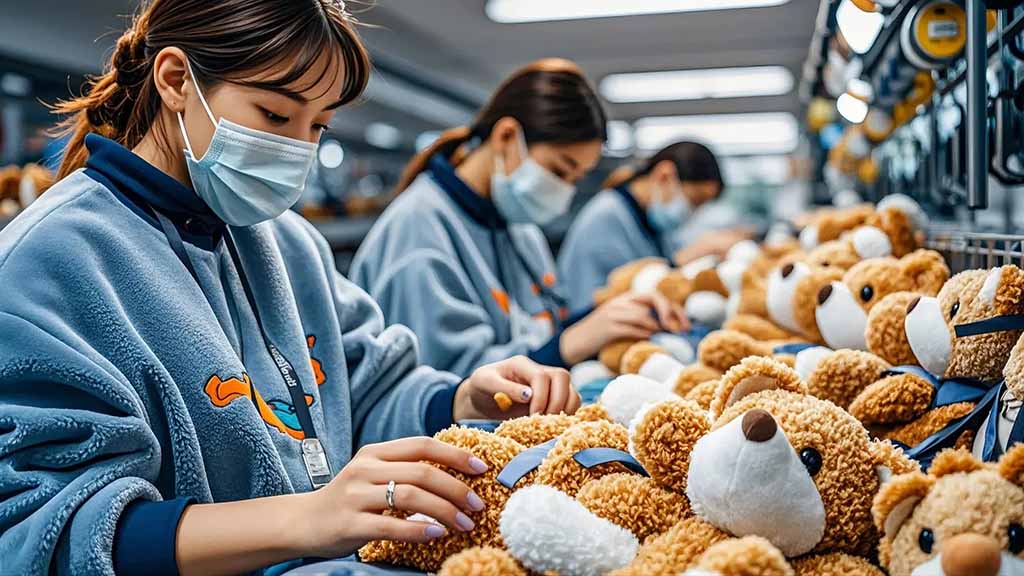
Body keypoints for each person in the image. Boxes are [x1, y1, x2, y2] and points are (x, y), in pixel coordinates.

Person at [0, 2, 579, 575]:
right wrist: (304, 519)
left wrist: (461, 401)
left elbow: (361, 391)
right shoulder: (52, 260)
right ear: (176, 81)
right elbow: (43, 531)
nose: (298, 148)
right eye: (276, 115)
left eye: (318, 126)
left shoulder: (288, 243)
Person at [350, 60, 686, 378]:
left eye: (575, 179)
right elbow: (444, 389)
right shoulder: (418, 232)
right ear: (507, 136)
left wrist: (609, 314)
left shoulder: (520, 229)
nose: (564, 194)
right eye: (559, 170)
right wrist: (569, 345)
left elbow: (544, 328)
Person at [558, 141, 745, 311]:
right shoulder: (605, 219)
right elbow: (598, 302)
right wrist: (682, 261)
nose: (692, 214)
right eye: (694, 202)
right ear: (664, 176)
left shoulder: (653, 221)